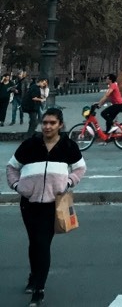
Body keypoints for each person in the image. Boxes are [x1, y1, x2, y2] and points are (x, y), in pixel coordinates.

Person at [6, 106, 86, 306]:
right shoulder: (30, 145)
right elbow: (11, 167)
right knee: (33, 243)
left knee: (43, 244)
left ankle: (39, 289)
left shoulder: (67, 146)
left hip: (53, 204)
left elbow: (80, 168)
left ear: (60, 125)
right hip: (29, 203)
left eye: (52, 123)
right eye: (45, 123)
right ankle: (34, 276)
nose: (47, 126)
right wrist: (17, 186)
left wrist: (68, 183)